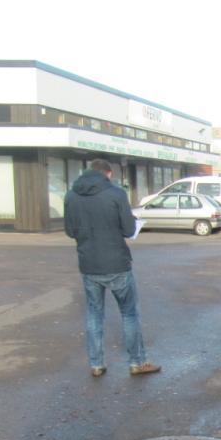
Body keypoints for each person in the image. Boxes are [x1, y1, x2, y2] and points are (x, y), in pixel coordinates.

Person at [64, 159, 160, 378]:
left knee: (94, 314)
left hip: (88, 264)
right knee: (129, 313)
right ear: (107, 174)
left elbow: (70, 231)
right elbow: (128, 229)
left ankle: (96, 364)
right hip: (117, 263)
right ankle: (137, 362)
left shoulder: (71, 195)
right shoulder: (116, 194)